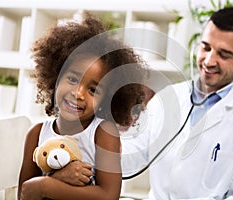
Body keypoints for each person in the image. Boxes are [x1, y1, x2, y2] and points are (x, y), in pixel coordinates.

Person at [120, 7, 233, 199]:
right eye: (206, 47)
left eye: (224, 54)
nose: (209, 60)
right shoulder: (168, 97)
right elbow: (131, 154)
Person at [17, 12, 150, 200]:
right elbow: (25, 193)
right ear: (55, 77)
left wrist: (47, 185)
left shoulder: (103, 132)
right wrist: (58, 178)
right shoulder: (36, 134)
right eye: (72, 79)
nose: (78, 93)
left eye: (93, 90)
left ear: (106, 98)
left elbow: (109, 195)